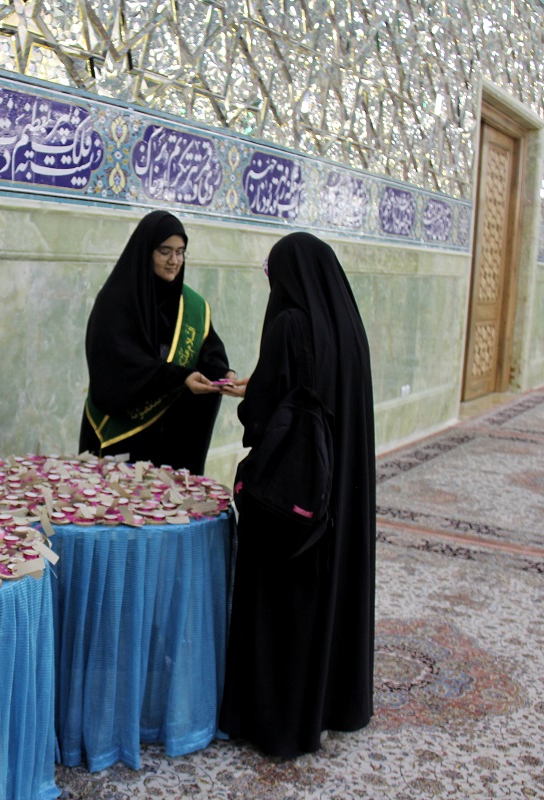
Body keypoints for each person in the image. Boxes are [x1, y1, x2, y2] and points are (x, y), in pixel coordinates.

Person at [219, 231, 375, 758]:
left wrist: (253, 396)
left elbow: (268, 415)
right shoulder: (347, 326)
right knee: (328, 598)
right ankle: (332, 706)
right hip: (336, 500)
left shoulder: (289, 322)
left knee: (285, 604)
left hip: (293, 504)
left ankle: (278, 722)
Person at [80, 210, 246, 474]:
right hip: (125, 433)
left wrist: (224, 375)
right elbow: (120, 366)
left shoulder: (190, 304)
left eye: (180, 252)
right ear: (146, 252)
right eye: (165, 251)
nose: (174, 261)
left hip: (172, 434)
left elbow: (207, 350)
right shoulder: (116, 302)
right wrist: (179, 377)